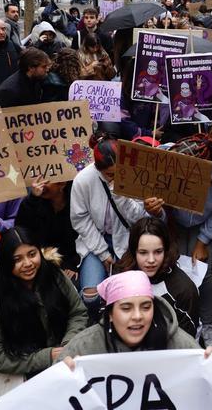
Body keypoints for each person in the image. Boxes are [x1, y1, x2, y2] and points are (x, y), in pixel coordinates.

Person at [0, 227, 87, 382]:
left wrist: (68, 345)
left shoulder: (54, 274)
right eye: (17, 259)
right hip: (21, 376)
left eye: (32, 254)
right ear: (6, 262)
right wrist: (47, 357)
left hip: (66, 359)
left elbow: (77, 312)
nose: (27, 264)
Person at [70, 135, 165, 315]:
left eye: (120, 171)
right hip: (94, 241)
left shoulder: (135, 175)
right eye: (110, 174)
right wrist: (102, 252)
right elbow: (80, 219)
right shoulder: (83, 180)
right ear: (99, 170)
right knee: (91, 296)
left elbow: (137, 219)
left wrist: (120, 195)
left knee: (126, 294)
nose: (116, 177)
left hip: (128, 239)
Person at [166, 135, 212, 348]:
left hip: (204, 226)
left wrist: (203, 242)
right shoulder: (170, 161)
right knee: (177, 268)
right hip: (176, 223)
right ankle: (181, 321)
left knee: (203, 271)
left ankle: (208, 324)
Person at [60, 270, 200, 358]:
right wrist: (65, 375)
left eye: (146, 307)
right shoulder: (83, 347)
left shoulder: (178, 343)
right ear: (110, 314)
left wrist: (207, 364)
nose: (137, 316)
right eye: (126, 308)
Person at [116, 217, 200, 338]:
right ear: (134, 252)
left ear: (166, 250)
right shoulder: (121, 275)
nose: (151, 260)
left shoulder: (184, 290)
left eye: (158, 252)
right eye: (143, 252)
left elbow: (186, 338)